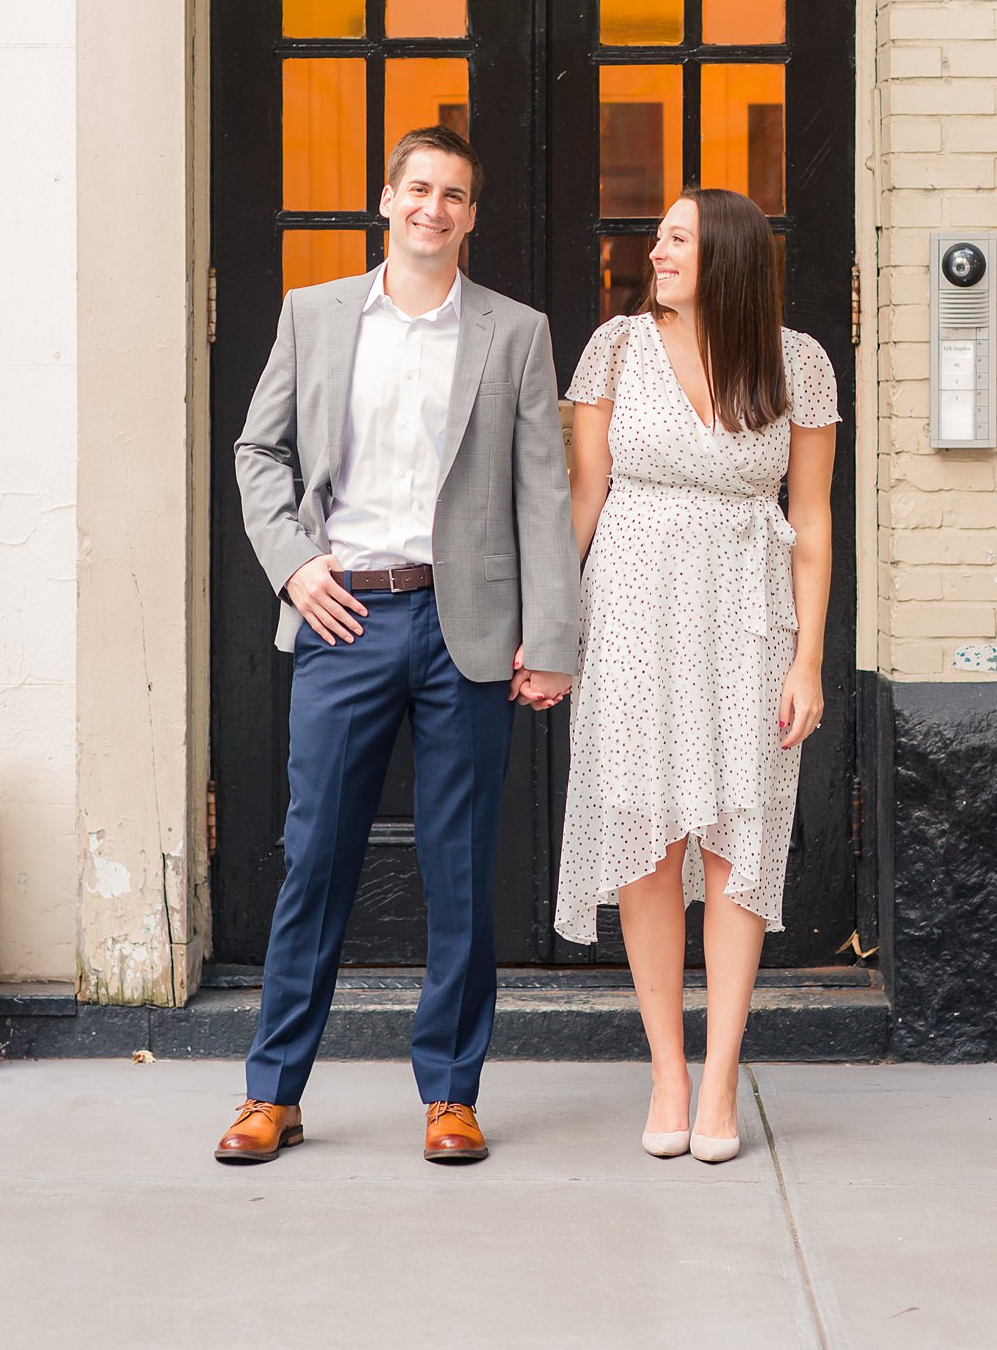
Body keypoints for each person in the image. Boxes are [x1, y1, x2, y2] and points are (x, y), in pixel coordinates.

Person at [216, 126, 577, 1168]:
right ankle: (271, 1093)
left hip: (462, 629)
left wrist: (549, 636)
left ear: (470, 215)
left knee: (459, 872)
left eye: (453, 194)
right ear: (386, 199)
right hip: (344, 617)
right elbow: (259, 452)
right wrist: (292, 565)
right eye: (417, 188)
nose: (433, 207)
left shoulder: (513, 333)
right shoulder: (315, 315)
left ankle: (451, 1095)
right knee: (314, 860)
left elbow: (540, 494)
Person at [555, 188, 839, 1164]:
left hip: (745, 618)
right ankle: (665, 1072)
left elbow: (810, 521)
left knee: (736, 846)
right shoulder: (615, 349)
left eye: (675, 239)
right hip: (631, 610)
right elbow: (583, 493)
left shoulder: (797, 363)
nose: (656, 252)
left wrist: (805, 657)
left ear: (720, 254)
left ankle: (718, 1079)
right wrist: (548, 627)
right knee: (641, 837)